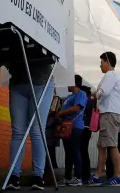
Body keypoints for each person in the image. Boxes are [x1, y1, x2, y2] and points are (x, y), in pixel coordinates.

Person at [5, 61, 54, 190]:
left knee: (23, 131)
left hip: (26, 80)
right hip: (32, 79)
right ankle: (32, 176)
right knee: (32, 131)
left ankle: (20, 175)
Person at [87, 52, 120, 186]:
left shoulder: (110, 75)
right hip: (109, 113)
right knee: (102, 145)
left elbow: (104, 92)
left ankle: (117, 176)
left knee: (111, 144)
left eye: (101, 62)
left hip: (109, 113)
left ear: (107, 62)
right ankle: (98, 174)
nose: (100, 66)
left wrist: (95, 95)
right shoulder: (113, 76)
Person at [57, 75, 87, 186]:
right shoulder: (70, 96)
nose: (67, 85)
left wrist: (60, 113)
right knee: (68, 153)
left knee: (75, 151)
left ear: (74, 83)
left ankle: (78, 177)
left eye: (69, 82)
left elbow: (76, 108)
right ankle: (67, 177)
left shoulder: (81, 94)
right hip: (66, 126)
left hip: (75, 127)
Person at [81, 85, 94, 182]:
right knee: (84, 150)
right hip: (88, 128)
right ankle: (86, 174)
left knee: (82, 151)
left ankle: (84, 175)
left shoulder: (86, 101)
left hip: (83, 127)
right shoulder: (91, 101)